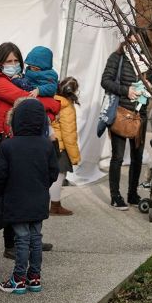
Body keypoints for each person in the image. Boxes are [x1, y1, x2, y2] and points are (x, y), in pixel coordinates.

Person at [0, 42, 61, 256]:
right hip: (6, 139)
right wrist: (55, 105)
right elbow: (28, 100)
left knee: (31, 188)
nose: (13, 64)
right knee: (12, 192)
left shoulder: (22, 80)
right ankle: (11, 244)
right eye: (8, 61)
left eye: (16, 61)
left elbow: (37, 101)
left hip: (25, 139)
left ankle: (29, 239)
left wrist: (48, 103)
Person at [0, 98, 60, 294]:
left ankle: (18, 279)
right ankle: (34, 277)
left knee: (21, 238)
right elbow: (53, 173)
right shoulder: (46, 145)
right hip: (39, 199)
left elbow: (0, 176)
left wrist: (1, 193)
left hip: (16, 199)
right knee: (35, 238)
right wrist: (41, 186)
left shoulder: (8, 146)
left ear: (16, 120)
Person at [101, 29, 152, 210]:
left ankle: (132, 194)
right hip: (120, 111)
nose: (135, 45)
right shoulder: (117, 58)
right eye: (131, 41)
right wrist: (127, 91)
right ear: (126, 41)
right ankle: (115, 196)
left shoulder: (148, 62)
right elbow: (105, 81)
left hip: (140, 114)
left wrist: (151, 85)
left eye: (139, 42)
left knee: (137, 156)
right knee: (117, 156)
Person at [50, 77, 81, 215]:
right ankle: (55, 206)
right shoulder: (66, 106)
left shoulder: (55, 100)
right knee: (59, 175)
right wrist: (74, 156)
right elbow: (68, 134)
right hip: (60, 146)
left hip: (52, 143)